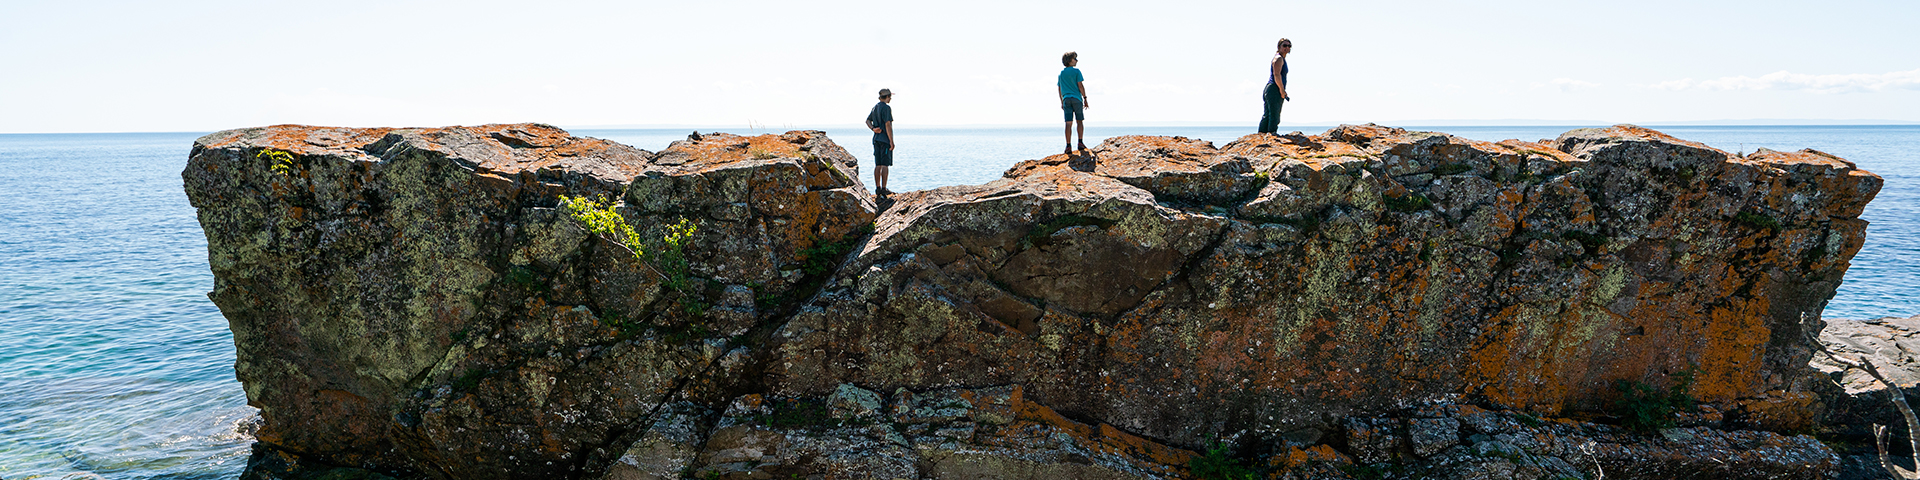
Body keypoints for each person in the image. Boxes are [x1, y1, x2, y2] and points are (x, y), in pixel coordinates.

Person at [1058, 52, 1089, 155]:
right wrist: (1085, 98)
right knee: (1079, 121)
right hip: (1076, 99)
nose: (1076, 60)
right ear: (1069, 61)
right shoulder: (1076, 71)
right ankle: (1080, 142)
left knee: (1068, 123)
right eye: (1075, 58)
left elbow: (1060, 88)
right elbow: (1080, 85)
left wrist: (1062, 101)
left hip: (1066, 99)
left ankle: (1068, 145)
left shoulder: (1061, 74)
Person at [1258, 39, 1292, 134]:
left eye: (1289, 46)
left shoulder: (1281, 58)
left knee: (1269, 114)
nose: (1287, 48)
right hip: (1274, 88)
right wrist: (1281, 90)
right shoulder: (1279, 59)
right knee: (1274, 115)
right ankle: (1271, 135)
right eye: (1284, 45)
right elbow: (1277, 75)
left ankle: (1262, 135)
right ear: (1279, 47)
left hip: (1273, 89)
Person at [866, 88, 895, 195]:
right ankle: (884, 188)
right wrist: (891, 141)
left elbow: (867, 121)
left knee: (878, 164)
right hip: (884, 139)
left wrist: (873, 129)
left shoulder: (875, 107)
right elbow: (888, 125)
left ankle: (877, 188)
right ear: (887, 97)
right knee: (885, 165)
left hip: (876, 139)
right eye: (890, 97)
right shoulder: (886, 108)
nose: (890, 99)